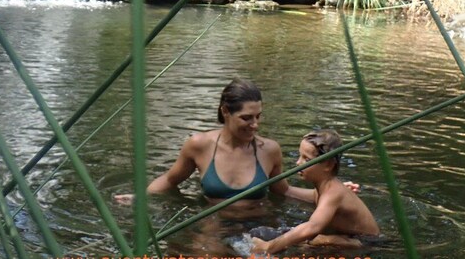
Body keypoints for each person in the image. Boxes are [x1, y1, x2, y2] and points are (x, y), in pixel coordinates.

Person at [115, 79, 357, 204]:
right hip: (212, 225)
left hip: (257, 227)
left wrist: (331, 191)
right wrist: (140, 198)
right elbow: (170, 180)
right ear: (226, 112)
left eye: (258, 116)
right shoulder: (199, 144)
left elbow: (284, 191)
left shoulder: (270, 150)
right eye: (246, 118)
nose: (255, 125)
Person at [251, 130, 380, 254]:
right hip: (349, 236)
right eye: (299, 156)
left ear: (329, 165)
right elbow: (286, 191)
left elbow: (312, 227)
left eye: (306, 159)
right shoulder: (324, 190)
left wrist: (268, 247)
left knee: (315, 239)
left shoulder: (333, 193)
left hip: (366, 243)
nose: (298, 163)